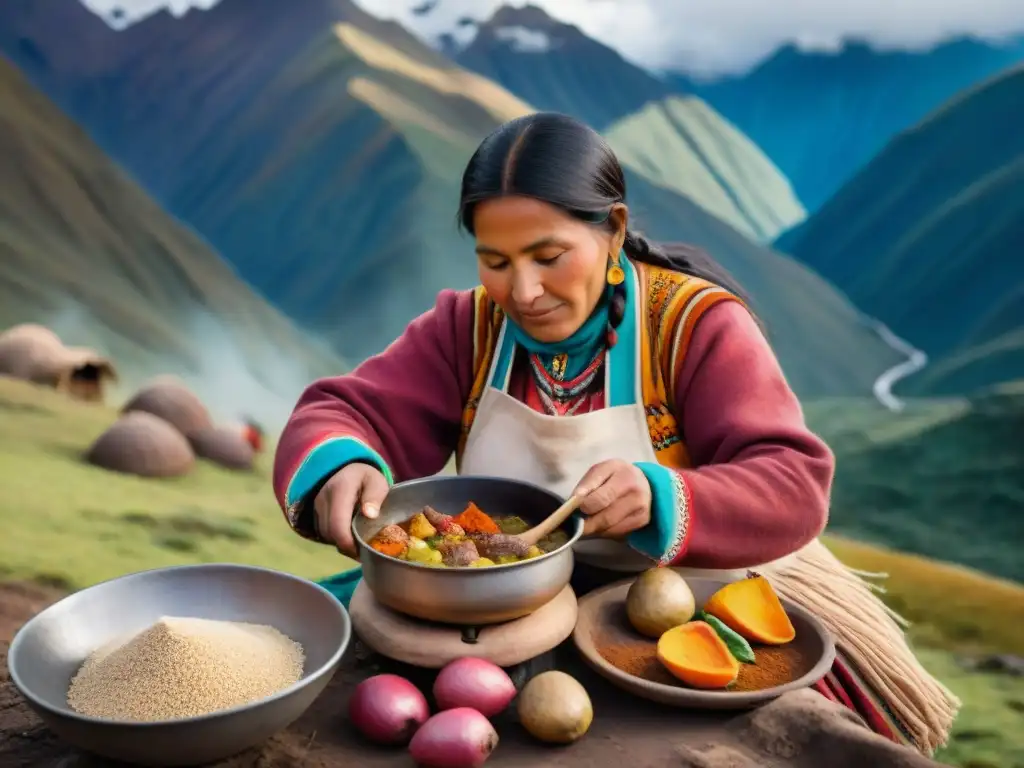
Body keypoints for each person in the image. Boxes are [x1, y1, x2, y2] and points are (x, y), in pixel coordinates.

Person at [273, 112, 957, 755]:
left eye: (549, 255)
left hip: (672, 608)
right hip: (506, 605)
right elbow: (343, 410)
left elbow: (793, 477)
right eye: (496, 260)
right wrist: (343, 465)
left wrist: (662, 496)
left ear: (612, 229)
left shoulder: (694, 327)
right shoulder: (468, 327)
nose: (525, 291)